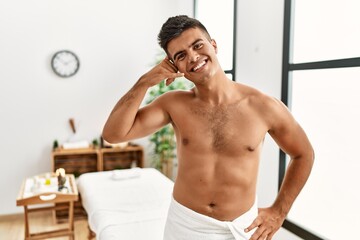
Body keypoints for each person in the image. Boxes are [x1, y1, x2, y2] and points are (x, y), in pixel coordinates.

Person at [102, 15, 314, 240]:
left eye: (198, 45)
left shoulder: (262, 105)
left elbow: (304, 154)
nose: (193, 57)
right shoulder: (173, 104)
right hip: (185, 225)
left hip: (242, 228)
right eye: (181, 55)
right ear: (174, 65)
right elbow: (114, 135)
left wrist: (279, 212)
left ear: (213, 45)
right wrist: (145, 82)